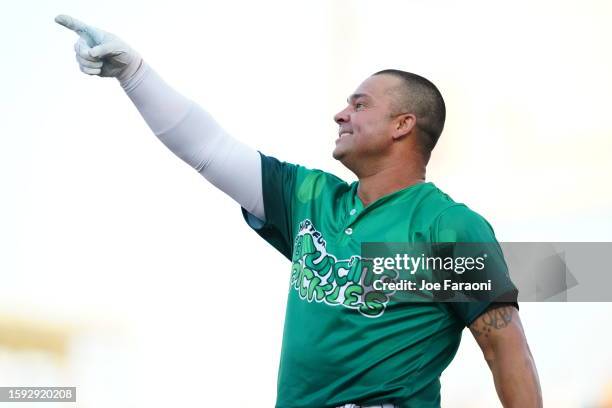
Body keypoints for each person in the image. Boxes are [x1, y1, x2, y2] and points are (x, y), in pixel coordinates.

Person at [55, 14, 543, 408]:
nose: (341, 113)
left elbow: (504, 347)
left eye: (359, 104)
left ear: (403, 124)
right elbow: (207, 147)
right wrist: (134, 72)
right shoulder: (310, 197)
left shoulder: (450, 225)